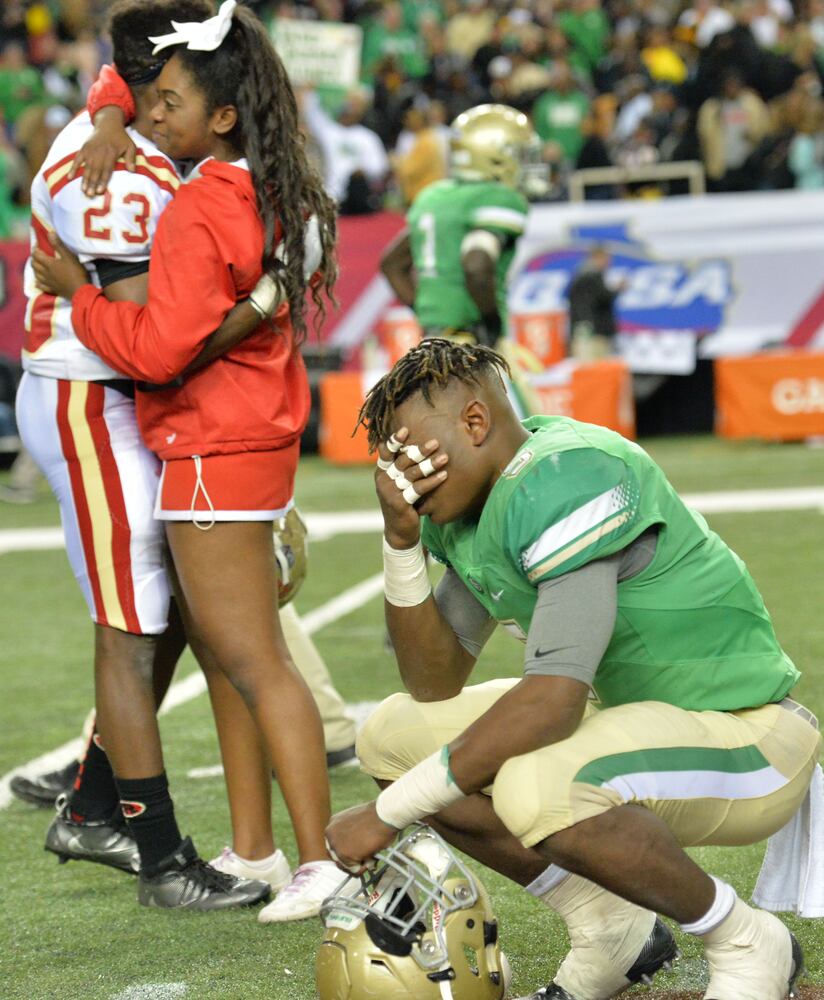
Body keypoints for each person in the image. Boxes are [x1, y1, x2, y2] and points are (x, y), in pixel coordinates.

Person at [325, 339, 820, 999]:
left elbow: (553, 700)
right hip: (637, 720)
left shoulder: (565, 474)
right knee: (394, 735)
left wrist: (388, 812)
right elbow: (432, 682)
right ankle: (609, 923)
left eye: (409, 452)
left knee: (539, 786)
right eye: (388, 460)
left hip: (750, 734)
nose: (399, 476)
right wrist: (400, 543)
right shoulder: (477, 504)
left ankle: (744, 938)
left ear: (474, 422)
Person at [32, 0, 344, 920]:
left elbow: (162, 350)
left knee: (245, 658)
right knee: (217, 646)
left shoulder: (199, 200)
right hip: (240, 429)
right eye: (151, 95)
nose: (152, 112)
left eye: (169, 99)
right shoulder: (265, 181)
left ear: (221, 112)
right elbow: (130, 75)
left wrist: (79, 298)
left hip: (204, 436)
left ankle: (311, 859)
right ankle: (253, 846)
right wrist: (113, 115)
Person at [380, 103, 542, 347]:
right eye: (518, 154)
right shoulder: (498, 197)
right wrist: (490, 321)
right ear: (493, 156)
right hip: (471, 341)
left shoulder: (433, 196)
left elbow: (391, 264)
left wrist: (428, 312)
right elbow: (476, 266)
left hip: (432, 340)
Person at [566, 245, 621, 360]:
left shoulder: (581, 274)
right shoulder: (591, 275)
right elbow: (603, 297)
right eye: (606, 259)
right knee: (591, 361)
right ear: (597, 258)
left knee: (587, 359)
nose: (609, 263)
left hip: (584, 327)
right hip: (592, 329)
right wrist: (617, 290)